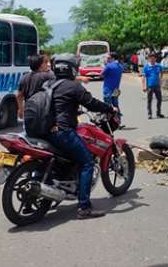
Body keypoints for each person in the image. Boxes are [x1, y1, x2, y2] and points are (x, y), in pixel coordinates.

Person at [47, 53, 118, 219]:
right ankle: (84, 207)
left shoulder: (49, 83)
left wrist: (73, 109)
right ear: (72, 68)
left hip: (45, 130)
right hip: (62, 131)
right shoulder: (73, 86)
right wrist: (109, 108)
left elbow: (59, 104)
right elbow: (91, 103)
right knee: (87, 162)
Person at [16, 54, 54, 119]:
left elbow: (19, 96)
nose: (48, 64)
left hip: (29, 112)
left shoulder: (24, 77)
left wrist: (21, 110)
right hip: (44, 113)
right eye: (45, 62)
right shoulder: (48, 76)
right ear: (41, 65)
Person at [142, 53, 165, 119]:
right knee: (149, 100)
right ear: (149, 59)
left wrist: (160, 79)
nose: (152, 60)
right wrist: (144, 86)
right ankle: (149, 114)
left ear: (155, 59)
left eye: (153, 58)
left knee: (159, 100)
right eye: (151, 58)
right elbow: (143, 77)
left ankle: (158, 113)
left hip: (157, 86)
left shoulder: (158, 66)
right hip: (149, 86)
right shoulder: (146, 67)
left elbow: (162, 72)